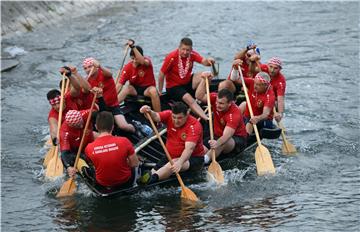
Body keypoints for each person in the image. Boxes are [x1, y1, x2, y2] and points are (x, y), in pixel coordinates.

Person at [138, 102, 206, 184]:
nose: (176, 121)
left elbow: (189, 149)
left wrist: (180, 163)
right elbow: (156, 116)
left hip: (192, 159)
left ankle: (152, 179)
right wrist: (149, 111)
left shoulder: (194, 126)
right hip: (170, 155)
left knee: (173, 163)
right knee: (153, 172)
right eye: (174, 117)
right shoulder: (169, 115)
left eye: (180, 118)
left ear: (187, 114)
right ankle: (149, 179)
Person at [158, 37, 215, 120]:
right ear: (179, 48)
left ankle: (200, 97)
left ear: (191, 49)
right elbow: (161, 74)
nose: (185, 52)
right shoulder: (171, 57)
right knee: (188, 98)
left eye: (187, 50)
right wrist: (160, 90)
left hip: (187, 83)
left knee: (206, 75)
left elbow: (204, 62)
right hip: (173, 87)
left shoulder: (192, 54)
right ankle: (206, 118)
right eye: (183, 49)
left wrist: (210, 60)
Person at [195, 72, 247, 163]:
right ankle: (195, 160)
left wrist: (217, 143)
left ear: (230, 103)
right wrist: (203, 80)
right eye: (217, 102)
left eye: (222, 104)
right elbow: (199, 96)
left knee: (222, 143)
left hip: (236, 140)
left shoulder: (234, 114)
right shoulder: (215, 98)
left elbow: (226, 136)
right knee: (199, 149)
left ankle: (204, 161)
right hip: (217, 135)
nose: (218, 105)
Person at [84, 111, 139, 188]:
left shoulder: (89, 147)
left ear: (96, 127)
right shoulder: (124, 141)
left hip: (103, 183)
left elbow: (94, 165)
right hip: (125, 181)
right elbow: (135, 164)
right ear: (113, 127)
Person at [82, 57, 137, 133]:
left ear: (95, 66)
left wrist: (99, 66)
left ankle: (136, 130)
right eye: (85, 68)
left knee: (123, 126)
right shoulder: (87, 81)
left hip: (113, 107)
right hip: (100, 109)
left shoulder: (104, 73)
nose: (88, 70)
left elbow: (110, 73)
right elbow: (83, 91)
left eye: (90, 67)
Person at [116, 40, 161, 112]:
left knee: (153, 91)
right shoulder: (127, 67)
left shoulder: (147, 62)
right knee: (127, 88)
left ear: (141, 56)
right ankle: (111, 107)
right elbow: (119, 85)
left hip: (147, 89)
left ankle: (159, 116)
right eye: (132, 58)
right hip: (135, 90)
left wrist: (132, 47)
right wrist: (111, 98)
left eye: (136, 59)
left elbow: (142, 61)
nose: (134, 61)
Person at [60, 109, 95, 177]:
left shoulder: (85, 114)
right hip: (75, 152)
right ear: (71, 126)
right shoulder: (65, 132)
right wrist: (68, 167)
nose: (81, 126)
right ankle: (85, 169)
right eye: (78, 126)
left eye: (81, 123)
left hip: (90, 144)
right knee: (78, 157)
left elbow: (98, 114)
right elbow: (64, 154)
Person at [259, 57, 286, 122]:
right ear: (267, 65)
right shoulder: (263, 68)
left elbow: (280, 100)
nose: (272, 70)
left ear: (280, 69)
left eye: (275, 68)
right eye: (270, 67)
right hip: (260, 93)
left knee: (276, 104)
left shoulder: (281, 81)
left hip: (272, 99)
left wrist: (280, 114)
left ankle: (269, 117)